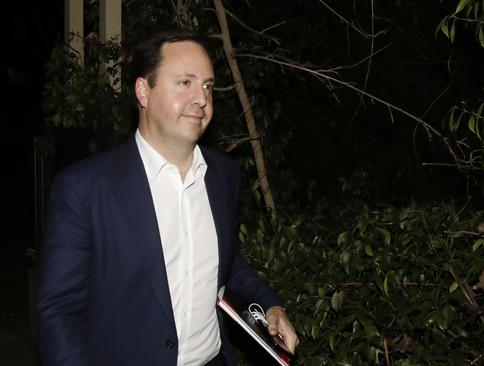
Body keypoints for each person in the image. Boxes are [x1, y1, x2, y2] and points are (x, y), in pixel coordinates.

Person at [36, 29, 298, 366]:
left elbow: (226, 262)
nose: (202, 99)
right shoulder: (85, 187)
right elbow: (59, 313)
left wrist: (270, 304)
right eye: (185, 83)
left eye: (207, 85)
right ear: (144, 91)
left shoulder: (223, 177)